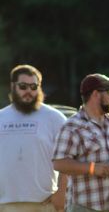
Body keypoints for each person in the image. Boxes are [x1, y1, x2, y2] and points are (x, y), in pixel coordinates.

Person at [52, 73, 109, 212]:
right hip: (85, 208)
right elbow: (59, 163)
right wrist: (93, 168)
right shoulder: (72, 126)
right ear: (95, 94)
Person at [0, 64, 67, 212]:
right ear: (13, 86)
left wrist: (61, 194)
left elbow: (68, 159)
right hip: (5, 205)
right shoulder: (1, 118)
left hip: (44, 204)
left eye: (33, 86)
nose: (28, 91)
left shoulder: (55, 118)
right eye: (23, 86)